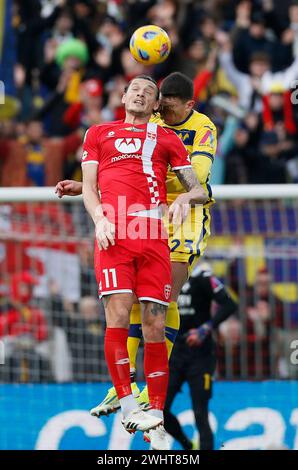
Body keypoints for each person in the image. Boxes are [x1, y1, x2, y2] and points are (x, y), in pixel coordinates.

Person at [55, 72, 217, 417]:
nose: (165, 112)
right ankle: (121, 387)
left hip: (185, 213)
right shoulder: (147, 122)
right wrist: (92, 185)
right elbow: (124, 165)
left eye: (169, 105)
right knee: (127, 305)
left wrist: (146, 177)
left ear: (188, 105)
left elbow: (198, 178)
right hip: (143, 214)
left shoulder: (203, 128)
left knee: (165, 296)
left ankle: (148, 392)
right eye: (162, 105)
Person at [164, 263, 237, 450]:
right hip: (174, 353)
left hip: (201, 355)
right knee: (159, 409)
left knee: (200, 413)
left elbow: (229, 304)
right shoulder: (164, 273)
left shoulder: (202, 275)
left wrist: (205, 329)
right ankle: (188, 446)